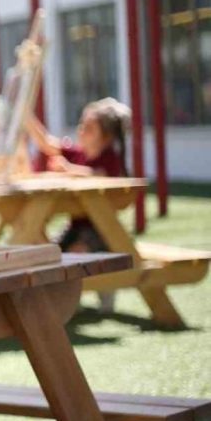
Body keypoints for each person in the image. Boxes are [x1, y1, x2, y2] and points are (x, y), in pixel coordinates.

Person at [25, 97, 130, 310]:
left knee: (75, 254)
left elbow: (98, 175)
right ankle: (70, 296)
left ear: (106, 137)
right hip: (75, 227)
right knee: (51, 251)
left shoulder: (109, 158)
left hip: (102, 231)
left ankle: (100, 289)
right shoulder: (78, 154)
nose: (81, 130)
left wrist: (68, 168)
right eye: (82, 125)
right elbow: (46, 143)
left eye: (89, 128)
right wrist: (25, 115)